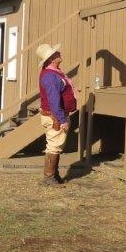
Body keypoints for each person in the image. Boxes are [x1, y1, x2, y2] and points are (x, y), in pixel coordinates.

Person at [37, 43, 78, 187]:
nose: (59, 53)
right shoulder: (50, 76)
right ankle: (49, 177)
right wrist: (62, 119)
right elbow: (54, 101)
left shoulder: (55, 72)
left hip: (56, 115)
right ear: (51, 59)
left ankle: (54, 174)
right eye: (56, 53)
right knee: (54, 145)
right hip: (54, 116)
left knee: (57, 145)